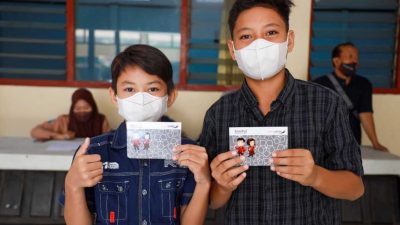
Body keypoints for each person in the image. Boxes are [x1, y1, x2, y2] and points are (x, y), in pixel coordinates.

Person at [199, 1, 364, 225]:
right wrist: (223, 185)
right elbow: (213, 202)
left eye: (271, 32)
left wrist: (315, 175)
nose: (259, 44)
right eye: (246, 36)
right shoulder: (218, 114)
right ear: (232, 49)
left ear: (290, 41)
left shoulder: (326, 104)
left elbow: (355, 189)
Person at [63, 44, 210, 225]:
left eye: (153, 89)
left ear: (170, 96)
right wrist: (72, 185)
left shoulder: (189, 154)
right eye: (130, 89)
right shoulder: (93, 152)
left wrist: (204, 183)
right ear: (114, 96)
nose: (141, 99)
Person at [313, 42, 388, 151]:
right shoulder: (319, 84)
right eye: (350, 56)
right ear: (336, 61)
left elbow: (365, 114)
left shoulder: (364, 84)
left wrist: (375, 143)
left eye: (357, 58)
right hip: (324, 144)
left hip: (352, 143)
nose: (355, 61)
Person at [31, 88, 111, 141]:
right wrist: (60, 136)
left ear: (93, 107)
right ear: (72, 108)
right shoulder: (64, 120)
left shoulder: (101, 120)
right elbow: (35, 131)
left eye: (86, 108)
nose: (82, 111)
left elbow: (110, 139)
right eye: (78, 108)